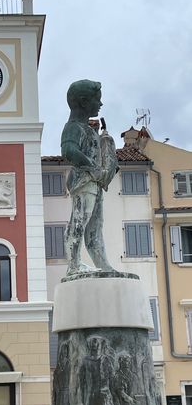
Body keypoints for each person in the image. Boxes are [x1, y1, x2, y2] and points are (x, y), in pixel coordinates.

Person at [61, 79, 118, 275]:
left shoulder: (87, 129)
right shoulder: (73, 127)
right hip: (84, 181)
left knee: (95, 225)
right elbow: (68, 150)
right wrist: (93, 168)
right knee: (79, 220)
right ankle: (74, 264)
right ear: (84, 102)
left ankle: (103, 265)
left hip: (94, 182)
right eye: (97, 100)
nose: (100, 104)